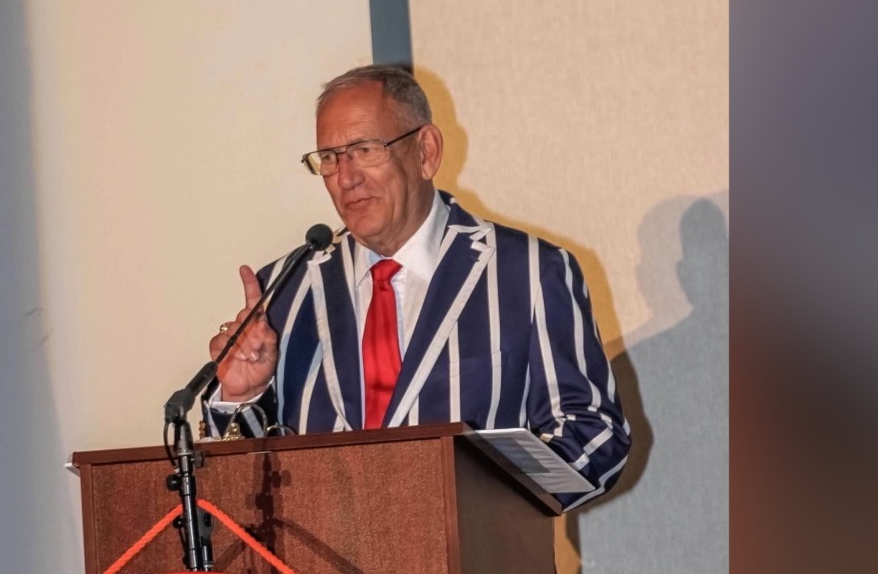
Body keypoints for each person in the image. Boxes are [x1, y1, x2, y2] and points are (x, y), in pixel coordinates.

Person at [204, 64, 629, 512]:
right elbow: (243, 489)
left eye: (364, 149)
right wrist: (240, 396)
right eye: (328, 158)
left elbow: (593, 433)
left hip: (479, 569)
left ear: (426, 151)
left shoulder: (528, 273)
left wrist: (474, 494)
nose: (346, 177)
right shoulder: (286, 289)